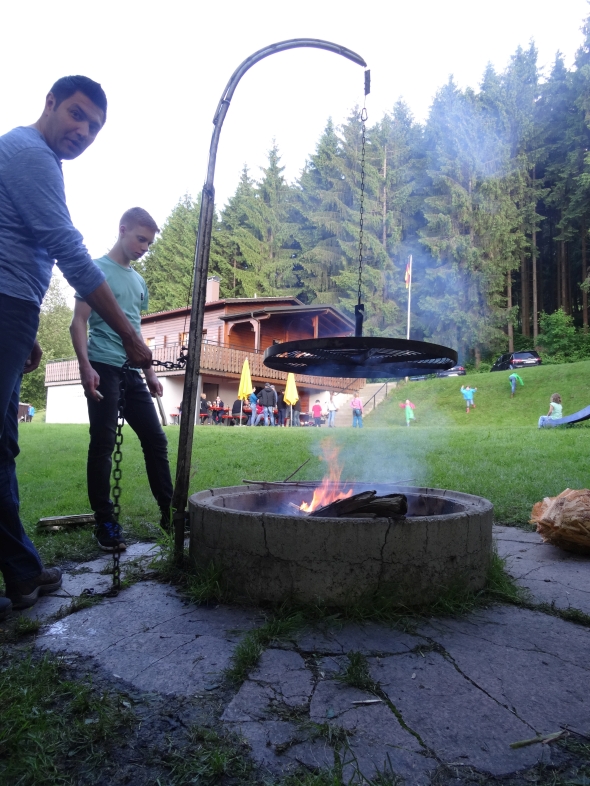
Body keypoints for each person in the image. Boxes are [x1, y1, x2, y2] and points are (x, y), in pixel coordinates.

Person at [0, 76, 152, 612]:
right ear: (50, 103)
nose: (84, 131)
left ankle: (22, 571)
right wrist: (130, 335)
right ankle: (22, 570)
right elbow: (68, 249)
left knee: (3, 448)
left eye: (94, 127)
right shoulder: (30, 153)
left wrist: (23, 333)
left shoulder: (32, 157)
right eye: (77, 114)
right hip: (5, 302)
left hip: (13, 307)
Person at [70, 208, 173, 549]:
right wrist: (85, 365)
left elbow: (135, 329)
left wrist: (149, 372)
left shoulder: (139, 282)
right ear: (123, 229)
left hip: (132, 371)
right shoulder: (96, 270)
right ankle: (106, 524)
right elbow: (78, 322)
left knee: (156, 440)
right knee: (103, 445)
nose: (144, 247)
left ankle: (170, 514)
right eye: (140, 239)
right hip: (102, 366)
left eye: (149, 243)